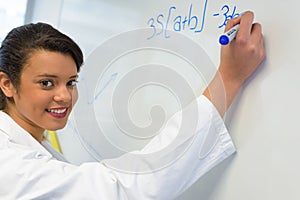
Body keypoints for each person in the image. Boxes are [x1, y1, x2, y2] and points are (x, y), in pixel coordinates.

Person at [0, 11, 265, 199]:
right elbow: (123, 189)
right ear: (7, 84)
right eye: (47, 83)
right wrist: (228, 79)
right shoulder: (10, 164)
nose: (65, 96)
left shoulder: (32, 143)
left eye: (71, 82)